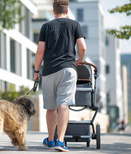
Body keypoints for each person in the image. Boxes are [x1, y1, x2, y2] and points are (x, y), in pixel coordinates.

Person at [33, 0, 86, 152]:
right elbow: (82, 47)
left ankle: (50, 140)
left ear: (54, 11)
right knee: (63, 104)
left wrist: (36, 72)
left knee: (51, 108)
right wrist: (80, 60)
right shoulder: (75, 25)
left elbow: (40, 52)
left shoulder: (46, 26)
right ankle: (60, 141)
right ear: (67, 11)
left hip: (49, 71)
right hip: (68, 69)